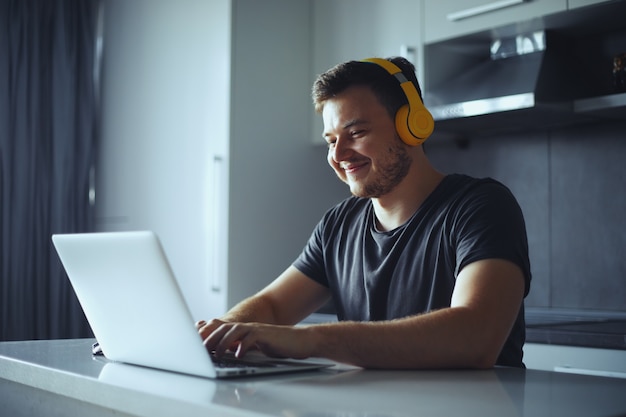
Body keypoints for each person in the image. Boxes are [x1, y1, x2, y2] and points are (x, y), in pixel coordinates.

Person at [197, 57, 531, 369]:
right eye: (331, 140)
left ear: (412, 125)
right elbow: (271, 306)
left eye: (356, 133)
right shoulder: (338, 224)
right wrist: (224, 333)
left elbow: (475, 336)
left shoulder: (480, 207)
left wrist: (311, 339)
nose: (339, 154)